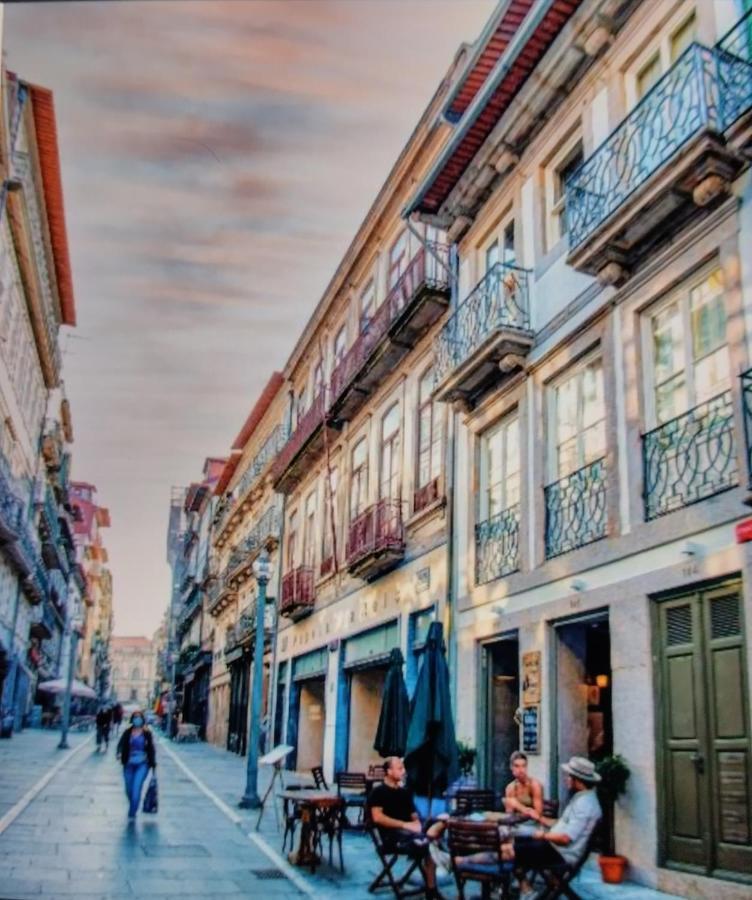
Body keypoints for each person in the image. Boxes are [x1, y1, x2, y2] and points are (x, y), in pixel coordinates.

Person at [510, 756, 602, 900]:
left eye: (568, 776)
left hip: (561, 854)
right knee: (513, 841)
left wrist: (542, 835)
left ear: (577, 780)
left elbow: (565, 838)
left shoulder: (584, 805)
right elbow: (562, 825)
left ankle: (524, 889)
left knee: (509, 848)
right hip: (555, 849)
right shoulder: (583, 799)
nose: (566, 779)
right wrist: (539, 818)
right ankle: (528, 887)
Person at [368, 756, 447, 899]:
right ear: (389, 771)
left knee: (436, 830)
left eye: (403, 768)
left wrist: (417, 823)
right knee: (429, 843)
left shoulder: (405, 792)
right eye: (399, 768)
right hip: (392, 837)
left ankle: (431, 889)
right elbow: (377, 818)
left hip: (409, 833)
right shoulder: (378, 792)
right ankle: (432, 886)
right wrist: (404, 824)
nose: (403, 771)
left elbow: (413, 814)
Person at [116, 709, 156, 820]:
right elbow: (120, 745)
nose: (137, 719)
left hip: (142, 764)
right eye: (135, 717)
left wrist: (152, 764)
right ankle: (134, 803)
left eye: (139, 717)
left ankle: (132, 812)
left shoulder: (147, 733)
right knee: (128, 789)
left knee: (136, 788)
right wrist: (119, 753)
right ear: (132, 719)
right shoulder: (127, 732)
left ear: (142, 720)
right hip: (128, 764)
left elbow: (151, 749)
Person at [503, 751, 543, 820]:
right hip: (516, 823)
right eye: (517, 766)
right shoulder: (510, 788)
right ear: (511, 767)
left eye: (523, 766)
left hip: (532, 823)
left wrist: (518, 806)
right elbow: (509, 814)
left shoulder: (534, 785)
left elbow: (538, 815)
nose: (521, 770)